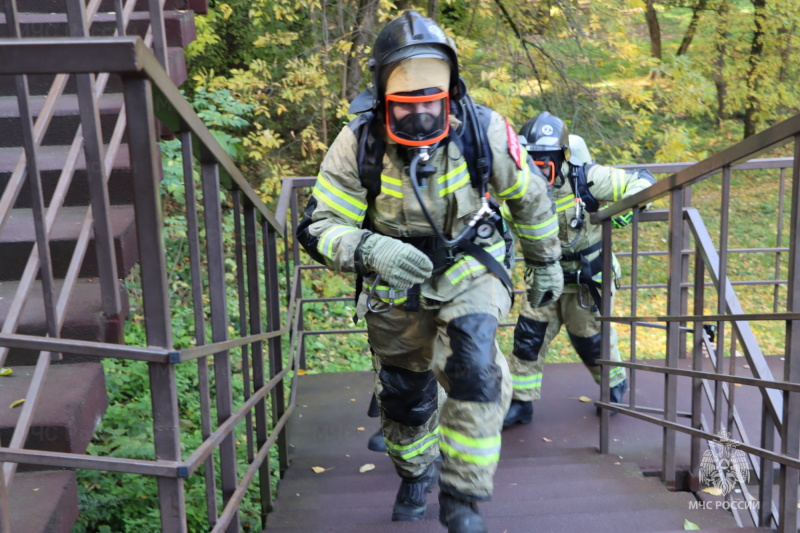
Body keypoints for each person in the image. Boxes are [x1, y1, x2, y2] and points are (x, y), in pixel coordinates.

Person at [296, 11, 562, 532]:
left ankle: (462, 498)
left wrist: (545, 259)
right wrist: (369, 248)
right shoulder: (359, 141)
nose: (419, 115)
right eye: (405, 103)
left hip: (468, 267)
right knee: (405, 397)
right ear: (382, 95)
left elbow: (529, 196)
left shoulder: (483, 129)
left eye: (430, 101)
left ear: (451, 90)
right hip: (395, 285)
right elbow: (317, 225)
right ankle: (416, 472)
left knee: (476, 367)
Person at [502, 112, 657, 427]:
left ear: (562, 155)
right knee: (528, 339)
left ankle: (614, 387)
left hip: (585, 280)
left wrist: (627, 208)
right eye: (532, 159)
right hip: (543, 277)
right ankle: (520, 402)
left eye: (547, 159)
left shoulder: (586, 177)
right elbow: (502, 218)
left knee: (590, 340)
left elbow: (643, 181)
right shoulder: (519, 183)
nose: (539, 166)